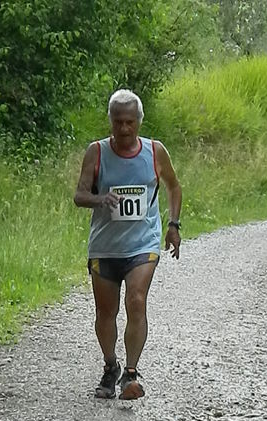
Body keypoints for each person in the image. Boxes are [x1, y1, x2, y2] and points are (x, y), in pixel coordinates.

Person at [74, 89, 182, 400]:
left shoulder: (154, 151)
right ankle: (111, 367)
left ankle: (131, 374)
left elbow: (174, 187)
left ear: (139, 121)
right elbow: (79, 195)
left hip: (142, 244)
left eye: (130, 122)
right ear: (110, 121)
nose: (124, 129)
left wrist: (173, 225)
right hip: (105, 247)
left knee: (136, 300)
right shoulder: (96, 152)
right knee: (105, 313)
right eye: (118, 122)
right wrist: (100, 198)